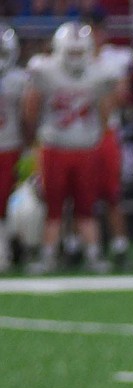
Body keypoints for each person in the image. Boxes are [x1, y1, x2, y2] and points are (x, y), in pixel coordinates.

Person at [22, 20, 118, 275]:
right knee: (53, 207)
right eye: (71, 52)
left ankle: (93, 255)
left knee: (86, 207)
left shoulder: (99, 73)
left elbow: (106, 110)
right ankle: (49, 256)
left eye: (79, 52)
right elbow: (32, 107)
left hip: (84, 148)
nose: (75, 57)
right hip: (55, 147)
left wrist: (96, 134)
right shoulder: (45, 70)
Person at [87, 11, 133, 270]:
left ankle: (119, 245)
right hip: (78, 135)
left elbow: (121, 98)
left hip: (106, 133)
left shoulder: (114, 59)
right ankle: (78, 245)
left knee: (112, 193)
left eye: (97, 29)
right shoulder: (73, 57)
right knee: (79, 195)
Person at [0, 23, 28, 272]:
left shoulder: (19, 80)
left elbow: (28, 116)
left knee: (9, 203)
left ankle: (8, 249)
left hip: (10, 146)